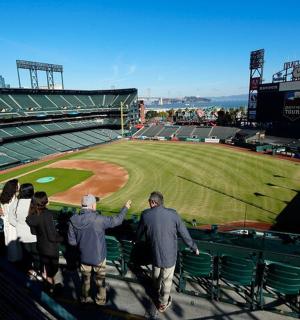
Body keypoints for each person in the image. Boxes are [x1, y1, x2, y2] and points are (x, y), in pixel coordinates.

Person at [136, 191, 199, 313]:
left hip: (154, 253)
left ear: (154, 202)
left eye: (150, 201)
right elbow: (184, 234)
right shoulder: (173, 214)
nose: (148, 203)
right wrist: (193, 247)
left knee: (156, 273)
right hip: (169, 256)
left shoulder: (145, 214)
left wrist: (135, 240)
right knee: (167, 281)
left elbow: (139, 233)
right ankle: (163, 304)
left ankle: (155, 290)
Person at [68, 194, 131, 305]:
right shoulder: (99, 219)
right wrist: (125, 208)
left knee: (85, 280)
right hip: (99, 257)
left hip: (83, 256)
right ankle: (100, 301)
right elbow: (117, 221)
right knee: (100, 280)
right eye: (95, 203)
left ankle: (84, 299)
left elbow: (72, 242)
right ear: (92, 205)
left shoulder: (73, 220)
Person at [26, 191, 63, 291]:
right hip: (50, 248)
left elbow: (34, 232)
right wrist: (62, 238)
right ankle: (51, 289)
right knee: (52, 272)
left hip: (41, 246)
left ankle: (48, 288)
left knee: (47, 270)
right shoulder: (47, 214)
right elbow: (52, 237)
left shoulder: (33, 214)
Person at [9, 183, 39, 277]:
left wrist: (18, 225)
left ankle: (28, 272)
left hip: (22, 234)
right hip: (34, 235)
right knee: (36, 255)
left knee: (26, 255)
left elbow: (11, 218)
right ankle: (37, 272)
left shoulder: (16, 202)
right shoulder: (35, 202)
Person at [0, 179, 22, 262]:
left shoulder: (5, 197)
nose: (19, 186)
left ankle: (14, 261)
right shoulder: (13, 200)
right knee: (14, 245)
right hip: (12, 224)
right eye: (17, 185)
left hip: (8, 224)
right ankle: (14, 262)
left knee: (13, 244)